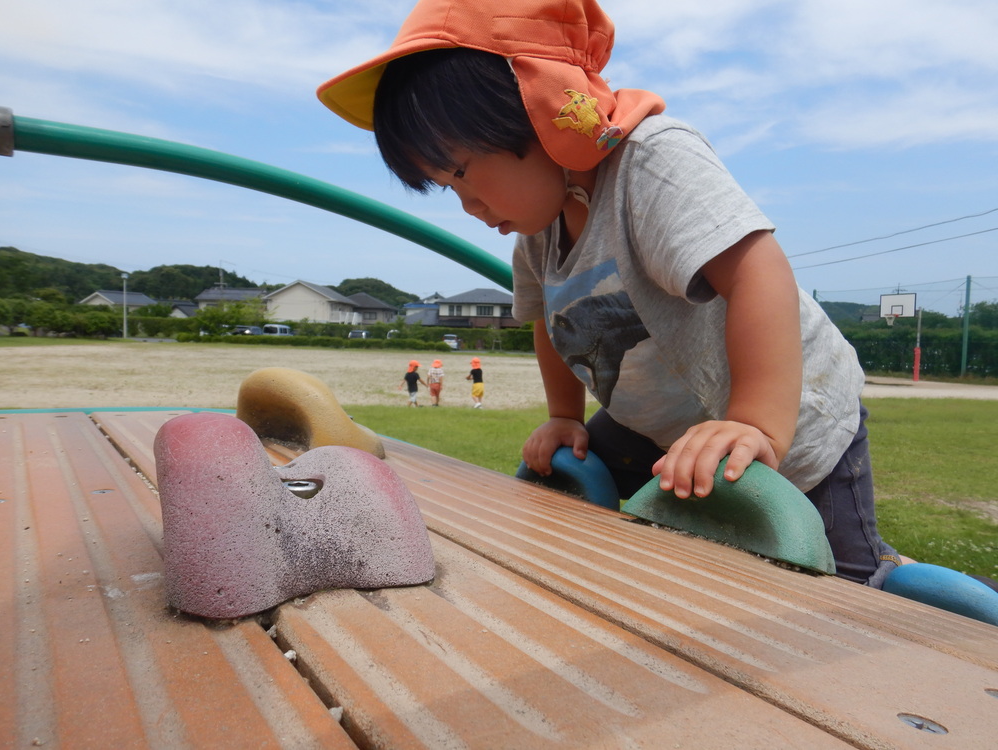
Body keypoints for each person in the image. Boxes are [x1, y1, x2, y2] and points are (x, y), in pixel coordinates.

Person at [316, 0, 900, 588]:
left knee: (839, 594)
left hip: (794, 425)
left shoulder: (650, 160)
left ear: (537, 108)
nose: (467, 205)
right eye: (446, 189)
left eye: (462, 172)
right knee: (567, 493)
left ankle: (892, 587)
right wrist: (564, 416)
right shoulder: (537, 232)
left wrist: (755, 424)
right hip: (666, 431)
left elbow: (758, 271)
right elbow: (547, 319)